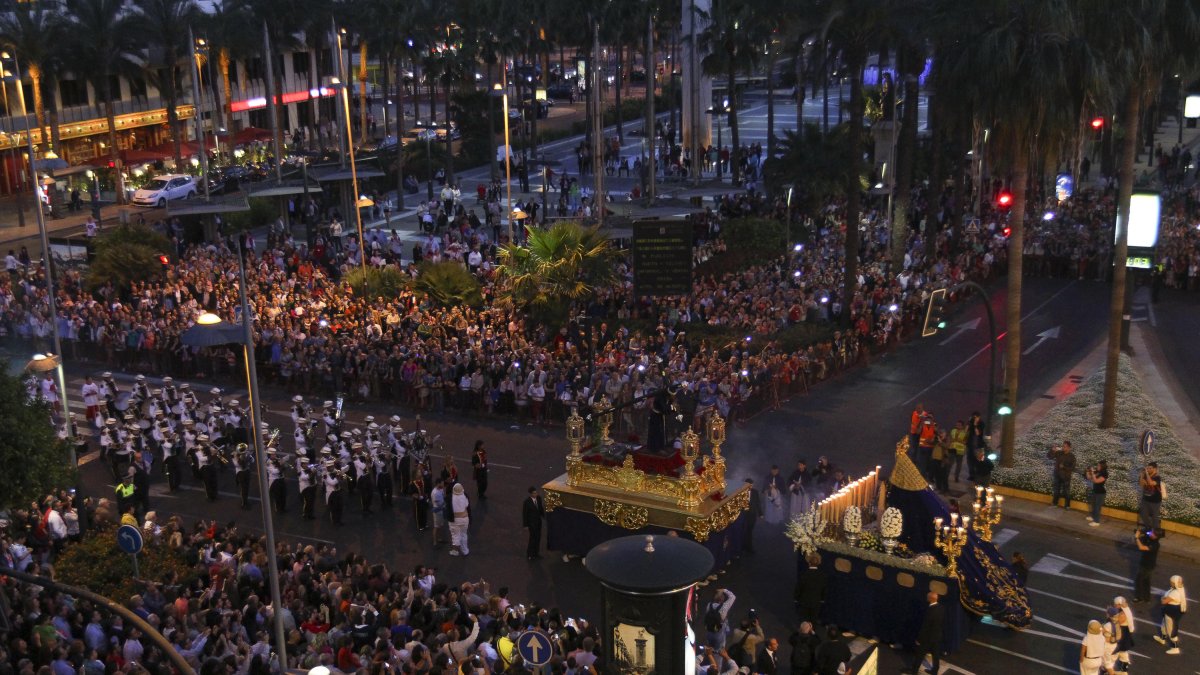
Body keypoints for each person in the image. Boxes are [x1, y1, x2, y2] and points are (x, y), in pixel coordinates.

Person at [906, 591, 943, 674]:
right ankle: (934, 671)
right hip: (937, 636)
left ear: (930, 599)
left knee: (919, 655)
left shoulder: (930, 611)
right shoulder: (941, 607)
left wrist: (919, 639)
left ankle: (914, 671)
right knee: (935, 655)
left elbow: (925, 627)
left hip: (927, 638)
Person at [1154, 575, 1187, 655]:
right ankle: (1162, 638)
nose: (1170, 583)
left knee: (1171, 629)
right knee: (1164, 625)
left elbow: (1163, 601)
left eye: (1171, 582)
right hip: (1171, 611)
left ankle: (1175, 648)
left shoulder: (1175, 593)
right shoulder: (1179, 589)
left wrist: (1163, 598)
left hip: (1171, 612)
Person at [794, 553, 826, 626]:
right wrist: (822, 599)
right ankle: (812, 632)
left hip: (804, 601)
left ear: (809, 563)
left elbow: (799, 587)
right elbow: (824, 589)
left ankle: (804, 631)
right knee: (813, 619)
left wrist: (796, 598)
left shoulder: (804, 574)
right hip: (816, 602)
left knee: (804, 619)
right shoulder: (822, 576)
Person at [1133, 528, 1161, 603]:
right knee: (1146, 581)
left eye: (1152, 533)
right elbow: (1143, 537)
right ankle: (1146, 598)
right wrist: (1140, 533)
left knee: (1139, 580)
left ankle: (1139, 597)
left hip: (1148, 565)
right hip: (1145, 563)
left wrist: (1136, 538)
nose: (1150, 533)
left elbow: (1141, 547)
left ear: (1156, 536)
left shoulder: (1155, 544)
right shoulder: (1150, 538)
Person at [1048, 441, 1077, 508]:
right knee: (1056, 490)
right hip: (1057, 475)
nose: (1063, 447)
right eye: (1063, 446)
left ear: (1069, 448)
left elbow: (1072, 468)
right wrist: (1052, 450)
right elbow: (1049, 457)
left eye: (1065, 446)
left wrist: (1064, 467)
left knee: (1066, 491)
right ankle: (1055, 503)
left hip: (1066, 476)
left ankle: (1067, 505)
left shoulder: (1072, 457)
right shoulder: (1059, 453)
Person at [1138, 462, 1165, 530]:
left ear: (1155, 469)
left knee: (1155, 517)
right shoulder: (1145, 476)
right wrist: (1141, 475)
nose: (1148, 469)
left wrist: (1146, 473)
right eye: (1147, 468)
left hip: (1155, 501)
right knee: (1143, 514)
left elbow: (1150, 483)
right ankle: (1148, 527)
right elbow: (1141, 484)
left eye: (1150, 468)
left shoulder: (1157, 477)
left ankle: (1156, 531)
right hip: (1145, 500)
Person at [522, 486, 544, 559]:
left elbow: (541, 509)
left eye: (536, 492)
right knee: (532, 538)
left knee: (538, 538)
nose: (536, 494)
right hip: (532, 524)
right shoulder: (527, 502)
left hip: (538, 523)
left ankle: (536, 553)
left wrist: (544, 516)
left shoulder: (538, 498)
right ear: (531, 494)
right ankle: (530, 554)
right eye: (534, 493)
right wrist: (525, 525)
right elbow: (525, 514)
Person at [449, 483, 470, 556]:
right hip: (465, 519)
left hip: (455, 520)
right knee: (464, 534)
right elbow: (467, 505)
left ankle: (455, 551)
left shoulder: (451, 498)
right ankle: (465, 551)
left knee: (455, 536)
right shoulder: (464, 496)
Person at [1085, 459, 1108, 526]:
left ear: (1102, 466)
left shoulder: (1105, 473)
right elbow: (1089, 478)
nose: (1097, 466)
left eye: (1098, 465)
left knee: (1097, 507)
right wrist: (1087, 471)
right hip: (1095, 491)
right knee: (1093, 505)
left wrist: (1092, 473)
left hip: (1101, 492)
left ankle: (1096, 521)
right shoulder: (1098, 472)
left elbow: (1096, 481)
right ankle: (1093, 517)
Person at [744, 478, 762, 553]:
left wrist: (760, 513)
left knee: (749, 531)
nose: (751, 486)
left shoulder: (755, 492)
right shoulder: (740, 492)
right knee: (743, 531)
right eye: (749, 485)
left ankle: (749, 548)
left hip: (752, 514)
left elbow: (758, 503)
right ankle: (743, 547)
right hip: (743, 515)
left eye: (752, 485)